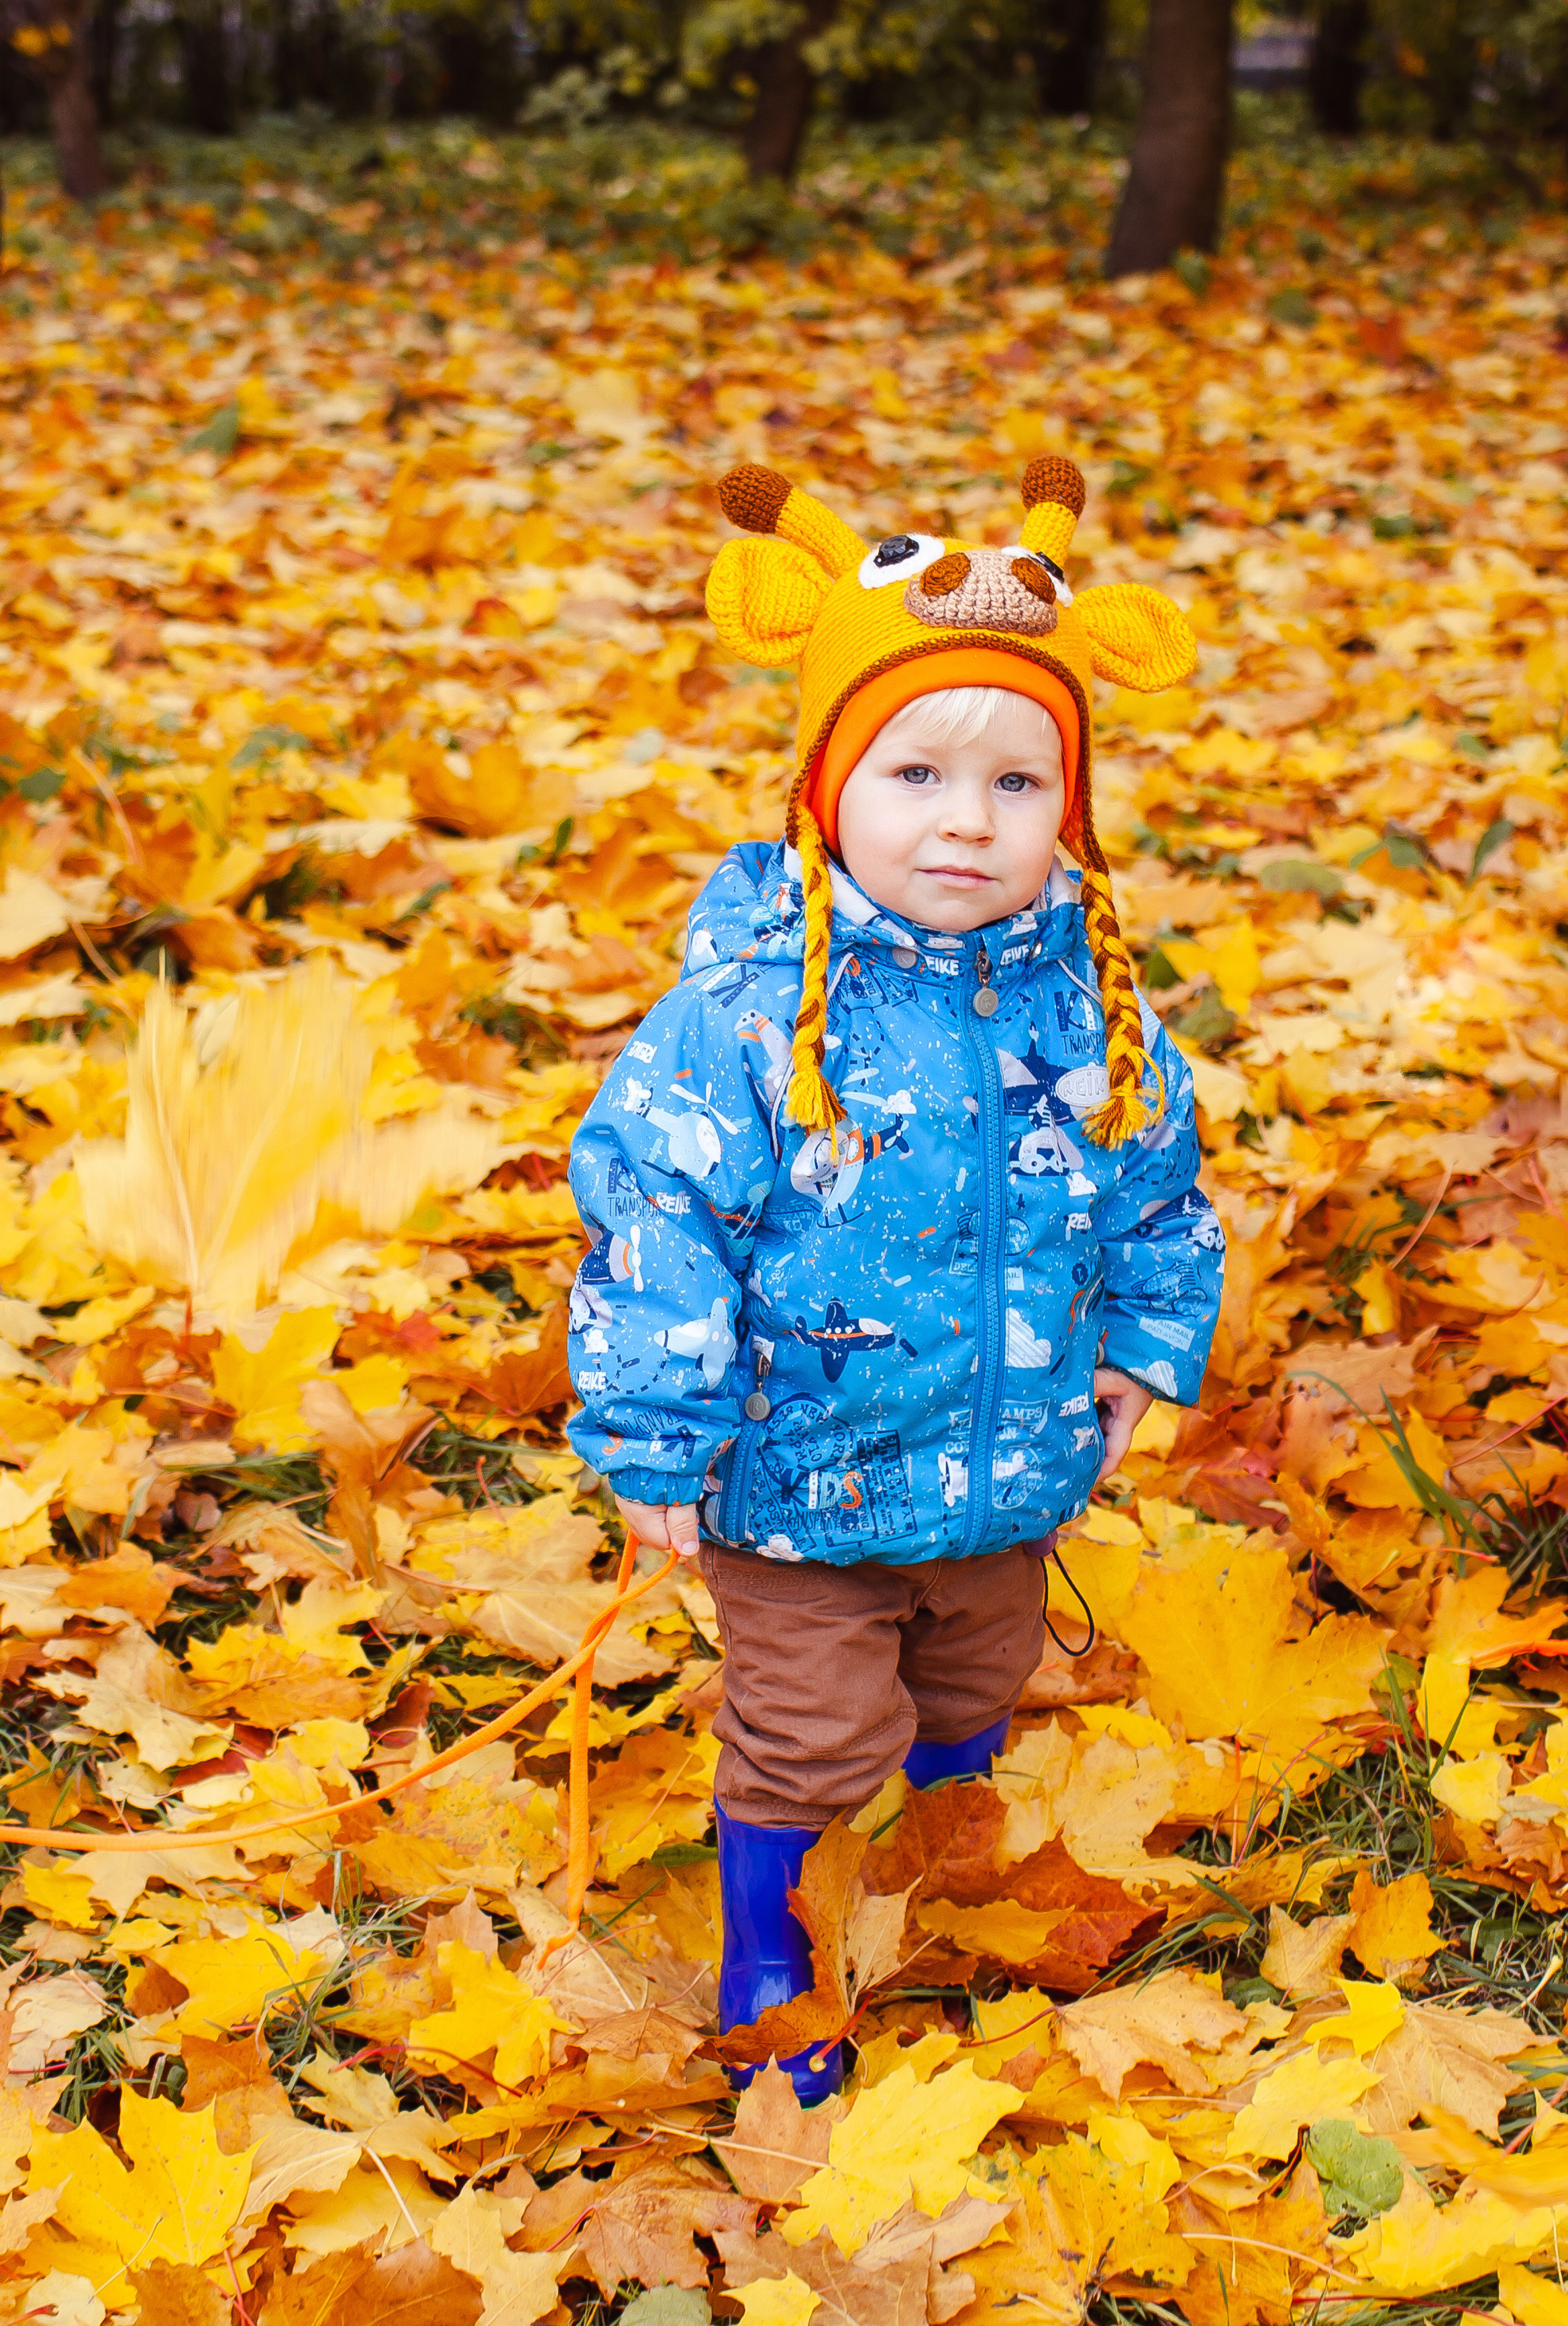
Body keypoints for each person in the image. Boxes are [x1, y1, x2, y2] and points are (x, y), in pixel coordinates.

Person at [566, 456, 1224, 2103]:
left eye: (1017, 786)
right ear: (824, 787)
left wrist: (1142, 1349)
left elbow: (1157, 1190)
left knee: (973, 1679)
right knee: (808, 1730)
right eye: (916, 771)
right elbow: (651, 1222)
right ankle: (773, 1947)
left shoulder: (1096, 1004)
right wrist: (654, 1439)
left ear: (1064, 807)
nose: (964, 820)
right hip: (794, 1478)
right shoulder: (743, 1017)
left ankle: (936, 1861)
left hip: (1008, 1468)